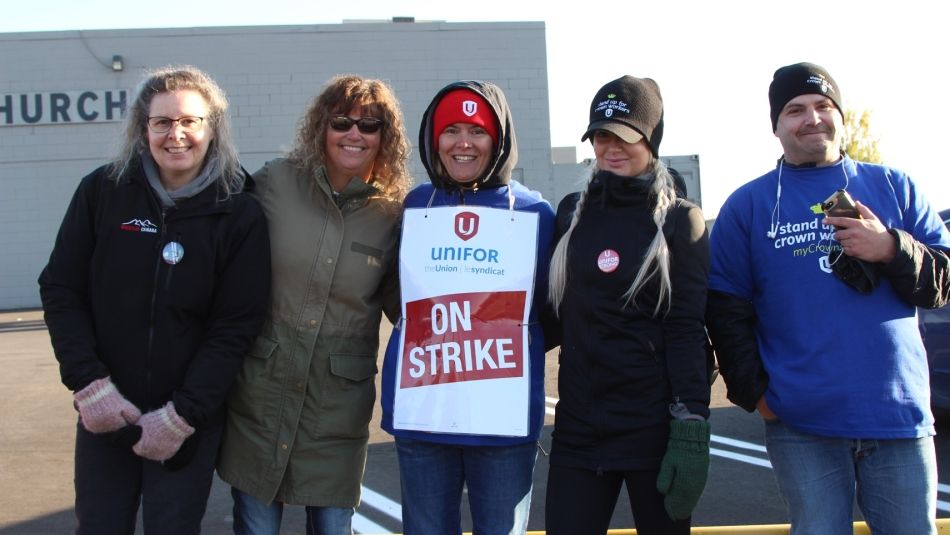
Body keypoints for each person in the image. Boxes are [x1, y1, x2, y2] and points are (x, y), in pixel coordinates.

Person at [706, 62, 950, 535]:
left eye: (823, 106)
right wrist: (757, 395)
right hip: (801, 425)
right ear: (776, 127)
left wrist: (890, 248)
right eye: (795, 110)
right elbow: (724, 309)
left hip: (898, 415)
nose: (812, 118)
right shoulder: (748, 205)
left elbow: (944, 279)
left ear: (840, 114)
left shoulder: (894, 186)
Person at [38, 65, 271, 535]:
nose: (176, 134)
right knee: (100, 526)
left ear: (213, 128)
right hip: (106, 413)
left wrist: (184, 414)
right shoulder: (103, 192)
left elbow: (235, 325)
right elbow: (61, 288)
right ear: (143, 130)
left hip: (185, 423)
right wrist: (90, 387)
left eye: (190, 121)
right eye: (162, 122)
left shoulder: (239, 210)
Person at [216, 75, 412, 535]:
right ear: (321, 127)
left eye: (369, 125)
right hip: (261, 401)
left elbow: (407, 307)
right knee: (257, 525)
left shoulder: (394, 215)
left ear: (386, 137)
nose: (354, 134)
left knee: (330, 525)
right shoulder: (273, 184)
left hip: (336, 411)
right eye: (341, 121)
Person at [379, 80, 555, 535]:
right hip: (424, 419)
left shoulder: (535, 214)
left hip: (502, 424)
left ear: (498, 140)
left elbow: (552, 312)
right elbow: (393, 295)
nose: (463, 143)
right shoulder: (415, 206)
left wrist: (495, 345)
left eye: (476, 131)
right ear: (433, 139)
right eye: (450, 129)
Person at [544, 75, 711, 535]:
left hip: (654, 433)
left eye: (625, 136)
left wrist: (692, 428)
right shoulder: (571, 214)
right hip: (579, 430)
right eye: (601, 135)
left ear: (651, 138)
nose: (611, 147)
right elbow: (549, 319)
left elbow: (687, 331)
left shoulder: (680, 220)